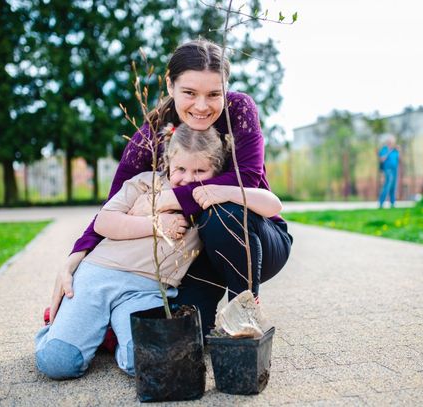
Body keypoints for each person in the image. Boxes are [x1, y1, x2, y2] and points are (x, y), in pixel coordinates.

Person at [48, 39, 293, 339]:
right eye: (189, 92)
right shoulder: (152, 133)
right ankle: (108, 324)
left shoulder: (238, 109)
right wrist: (76, 257)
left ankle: (244, 315)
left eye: (213, 94)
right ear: (169, 85)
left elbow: (248, 178)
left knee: (221, 213)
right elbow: (115, 202)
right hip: (192, 256)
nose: (202, 106)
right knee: (182, 335)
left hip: (251, 239)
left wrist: (167, 198)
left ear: (225, 88)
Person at [35, 123, 284, 379]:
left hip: (148, 292)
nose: (188, 178)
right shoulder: (145, 183)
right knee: (59, 363)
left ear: (217, 170)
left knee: (149, 364)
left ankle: (108, 333)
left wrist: (223, 190)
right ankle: (57, 327)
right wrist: (157, 224)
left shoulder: (208, 200)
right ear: (167, 163)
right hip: (100, 275)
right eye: (180, 169)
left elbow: (273, 205)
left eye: (200, 171)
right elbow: (104, 222)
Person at [378, 133, 399, 208]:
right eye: (389, 141)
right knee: (388, 184)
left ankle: (392, 202)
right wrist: (388, 152)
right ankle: (381, 202)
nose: (391, 143)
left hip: (395, 169)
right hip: (387, 169)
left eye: (392, 141)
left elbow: (398, 159)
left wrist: (398, 150)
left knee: (393, 185)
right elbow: (381, 159)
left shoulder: (395, 150)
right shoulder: (384, 149)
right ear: (387, 142)